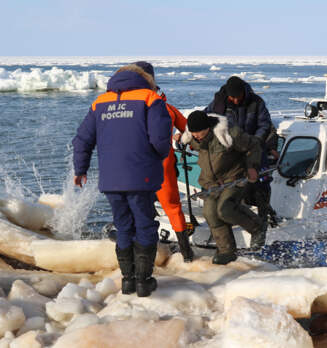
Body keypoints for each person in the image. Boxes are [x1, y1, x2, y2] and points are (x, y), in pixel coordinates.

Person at [72, 63, 171, 297]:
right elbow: (160, 138)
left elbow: (82, 140)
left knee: (123, 226)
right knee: (145, 225)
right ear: (146, 78)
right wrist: (157, 155)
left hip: (111, 178)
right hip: (141, 175)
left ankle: (127, 280)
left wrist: (80, 169)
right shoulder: (149, 98)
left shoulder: (100, 102)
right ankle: (143, 282)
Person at [182, 110, 266, 265]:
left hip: (233, 179)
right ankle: (227, 251)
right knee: (210, 213)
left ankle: (257, 227)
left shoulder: (229, 134)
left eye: (198, 132)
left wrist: (252, 167)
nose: (195, 136)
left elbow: (254, 145)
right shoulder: (193, 137)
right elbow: (186, 140)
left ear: (207, 128)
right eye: (192, 133)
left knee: (225, 209)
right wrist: (177, 139)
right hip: (210, 184)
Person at [133, 61, 194, 263]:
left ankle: (144, 254)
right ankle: (187, 255)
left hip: (138, 164)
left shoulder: (129, 107)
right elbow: (188, 129)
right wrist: (185, 141)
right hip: (163, 164)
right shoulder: (167, 108)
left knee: (138, 207)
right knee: (173, 207)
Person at [205, 76, 278, 226]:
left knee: (261, 182)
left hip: (253, 148)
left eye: (238, 97)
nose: (236, 100)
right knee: (231, 186)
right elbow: (205, 120)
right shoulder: (219, 103)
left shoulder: (256, 102)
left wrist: (255, 142)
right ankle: (234, 219)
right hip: (230, 152)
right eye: (233, 98)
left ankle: (264, 218)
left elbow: (264, 124)